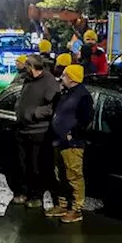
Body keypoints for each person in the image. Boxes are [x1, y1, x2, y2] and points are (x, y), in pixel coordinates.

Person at [47, 64, 93, 223]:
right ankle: (63, 205)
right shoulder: (66, 92)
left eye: (65, 75)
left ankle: (76, 209)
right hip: (59, 142)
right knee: (60, 175)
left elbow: (85, 120)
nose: (62, 78)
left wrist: (71, 135)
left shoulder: (83, 96)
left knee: (74, 176)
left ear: (72, 78)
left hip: (72, 144)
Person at [13, 55, 59, 207]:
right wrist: (19, 107)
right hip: (23, 129)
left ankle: (36, 196)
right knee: (22, 164)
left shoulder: (49, 82)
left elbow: (53, 106)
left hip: (38, 131)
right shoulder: (29, 79)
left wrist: (35, 113)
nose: (24, 70)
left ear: (32, 67)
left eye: (27, 68)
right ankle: (24, 192)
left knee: (36, 166)